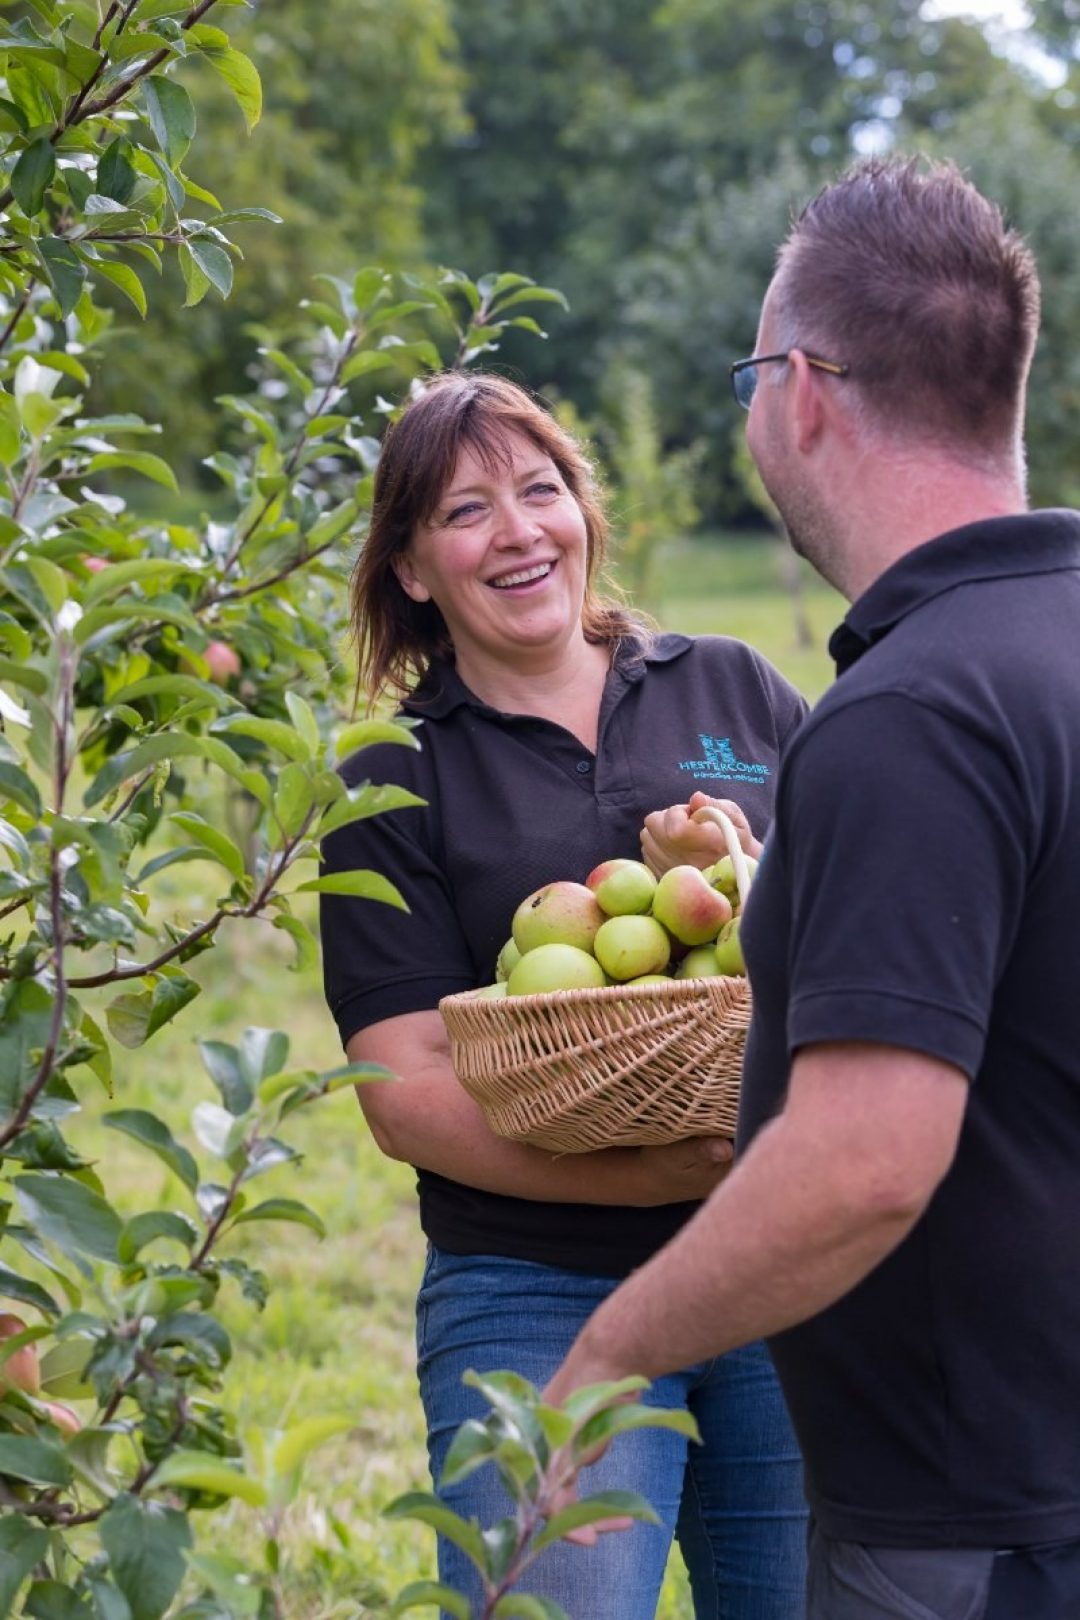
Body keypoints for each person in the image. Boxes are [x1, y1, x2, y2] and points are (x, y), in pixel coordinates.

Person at [547, 154, 1080, 1619]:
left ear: (804, 388)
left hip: (973, 1533)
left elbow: (862, 1166)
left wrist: (609, 1353)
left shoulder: (913, 714)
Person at [318, 370, 809, 1618]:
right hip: (537, 1280)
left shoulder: (735, 690)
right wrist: (642, 1178)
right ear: (415, 568)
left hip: (772, 1256)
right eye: (467, 510)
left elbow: (856, 916)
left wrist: (736, 870)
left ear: (585, 511)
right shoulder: (391, 778)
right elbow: (407, 1090)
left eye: (541, 491)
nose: (521, 531)